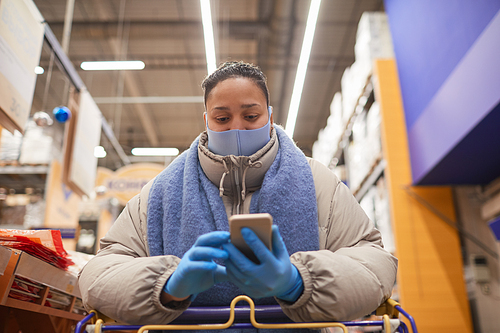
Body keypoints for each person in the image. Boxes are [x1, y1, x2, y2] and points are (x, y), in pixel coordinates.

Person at [78, 61, 397, 331]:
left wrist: (297, 281)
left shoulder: (318, 183)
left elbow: (374, 262)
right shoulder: (160, 192)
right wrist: (168, 285)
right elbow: (98, 274)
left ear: (269, 116)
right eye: (222, 118)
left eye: (250, 115)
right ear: (206, 121)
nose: (237, 128)